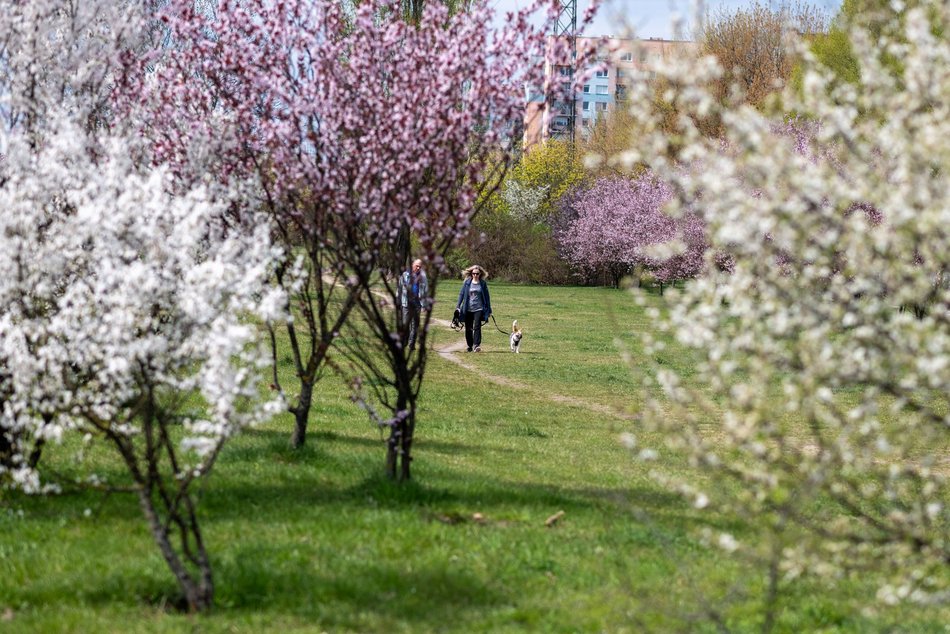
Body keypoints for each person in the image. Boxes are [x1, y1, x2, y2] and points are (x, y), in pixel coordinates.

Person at [456, 264, 491, 352]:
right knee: (468, 328)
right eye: (474, 273)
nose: (475, 275)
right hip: (467, 309)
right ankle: (470, 345)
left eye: (477, 273)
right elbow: (461, 294)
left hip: (478, 308)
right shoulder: (467, 282)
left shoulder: (483, 284)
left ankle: (476, 345)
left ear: (480, 274)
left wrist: (489, 309)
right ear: (471, 274)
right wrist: (458, 307)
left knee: (477, 326)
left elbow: (487, 297)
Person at [398, 258, 428, 351]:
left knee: (415, 325)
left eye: (420, 266)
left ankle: (411, 344)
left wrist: (424, 305)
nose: (418, 268)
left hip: (417, 304)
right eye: (417, 266)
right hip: (406, 303)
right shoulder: (405, 275)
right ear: (412, 265)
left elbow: (425, 291)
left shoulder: (423, 277)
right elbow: (399, 288)